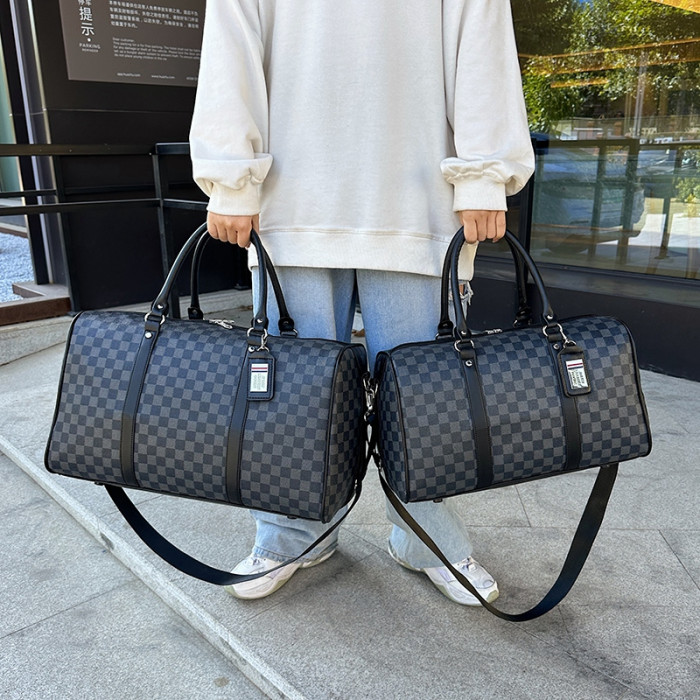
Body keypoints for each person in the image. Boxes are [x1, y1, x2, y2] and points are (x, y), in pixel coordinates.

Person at [190, 0, 534, 605]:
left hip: (417, 198)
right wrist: (230, 176)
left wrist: (484, 174)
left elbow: (481, 36)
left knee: (426, 399)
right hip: (291, 200)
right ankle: (295, 533)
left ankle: (424, 535)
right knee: (293, 398)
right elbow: (231, 39)